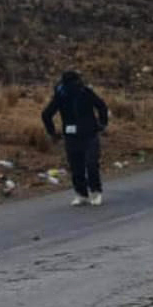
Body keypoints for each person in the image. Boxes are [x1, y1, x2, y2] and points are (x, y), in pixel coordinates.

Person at [41, 70, 109, 206]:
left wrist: (102, 124)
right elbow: (46, 114)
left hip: (89, 134)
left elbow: (101, 106)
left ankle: (94, 192)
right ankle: (82, 194)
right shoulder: (63, 95)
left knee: (90, 164)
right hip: (74, 135)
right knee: (77, 167)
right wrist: (52, 132)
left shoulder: (84, 92)